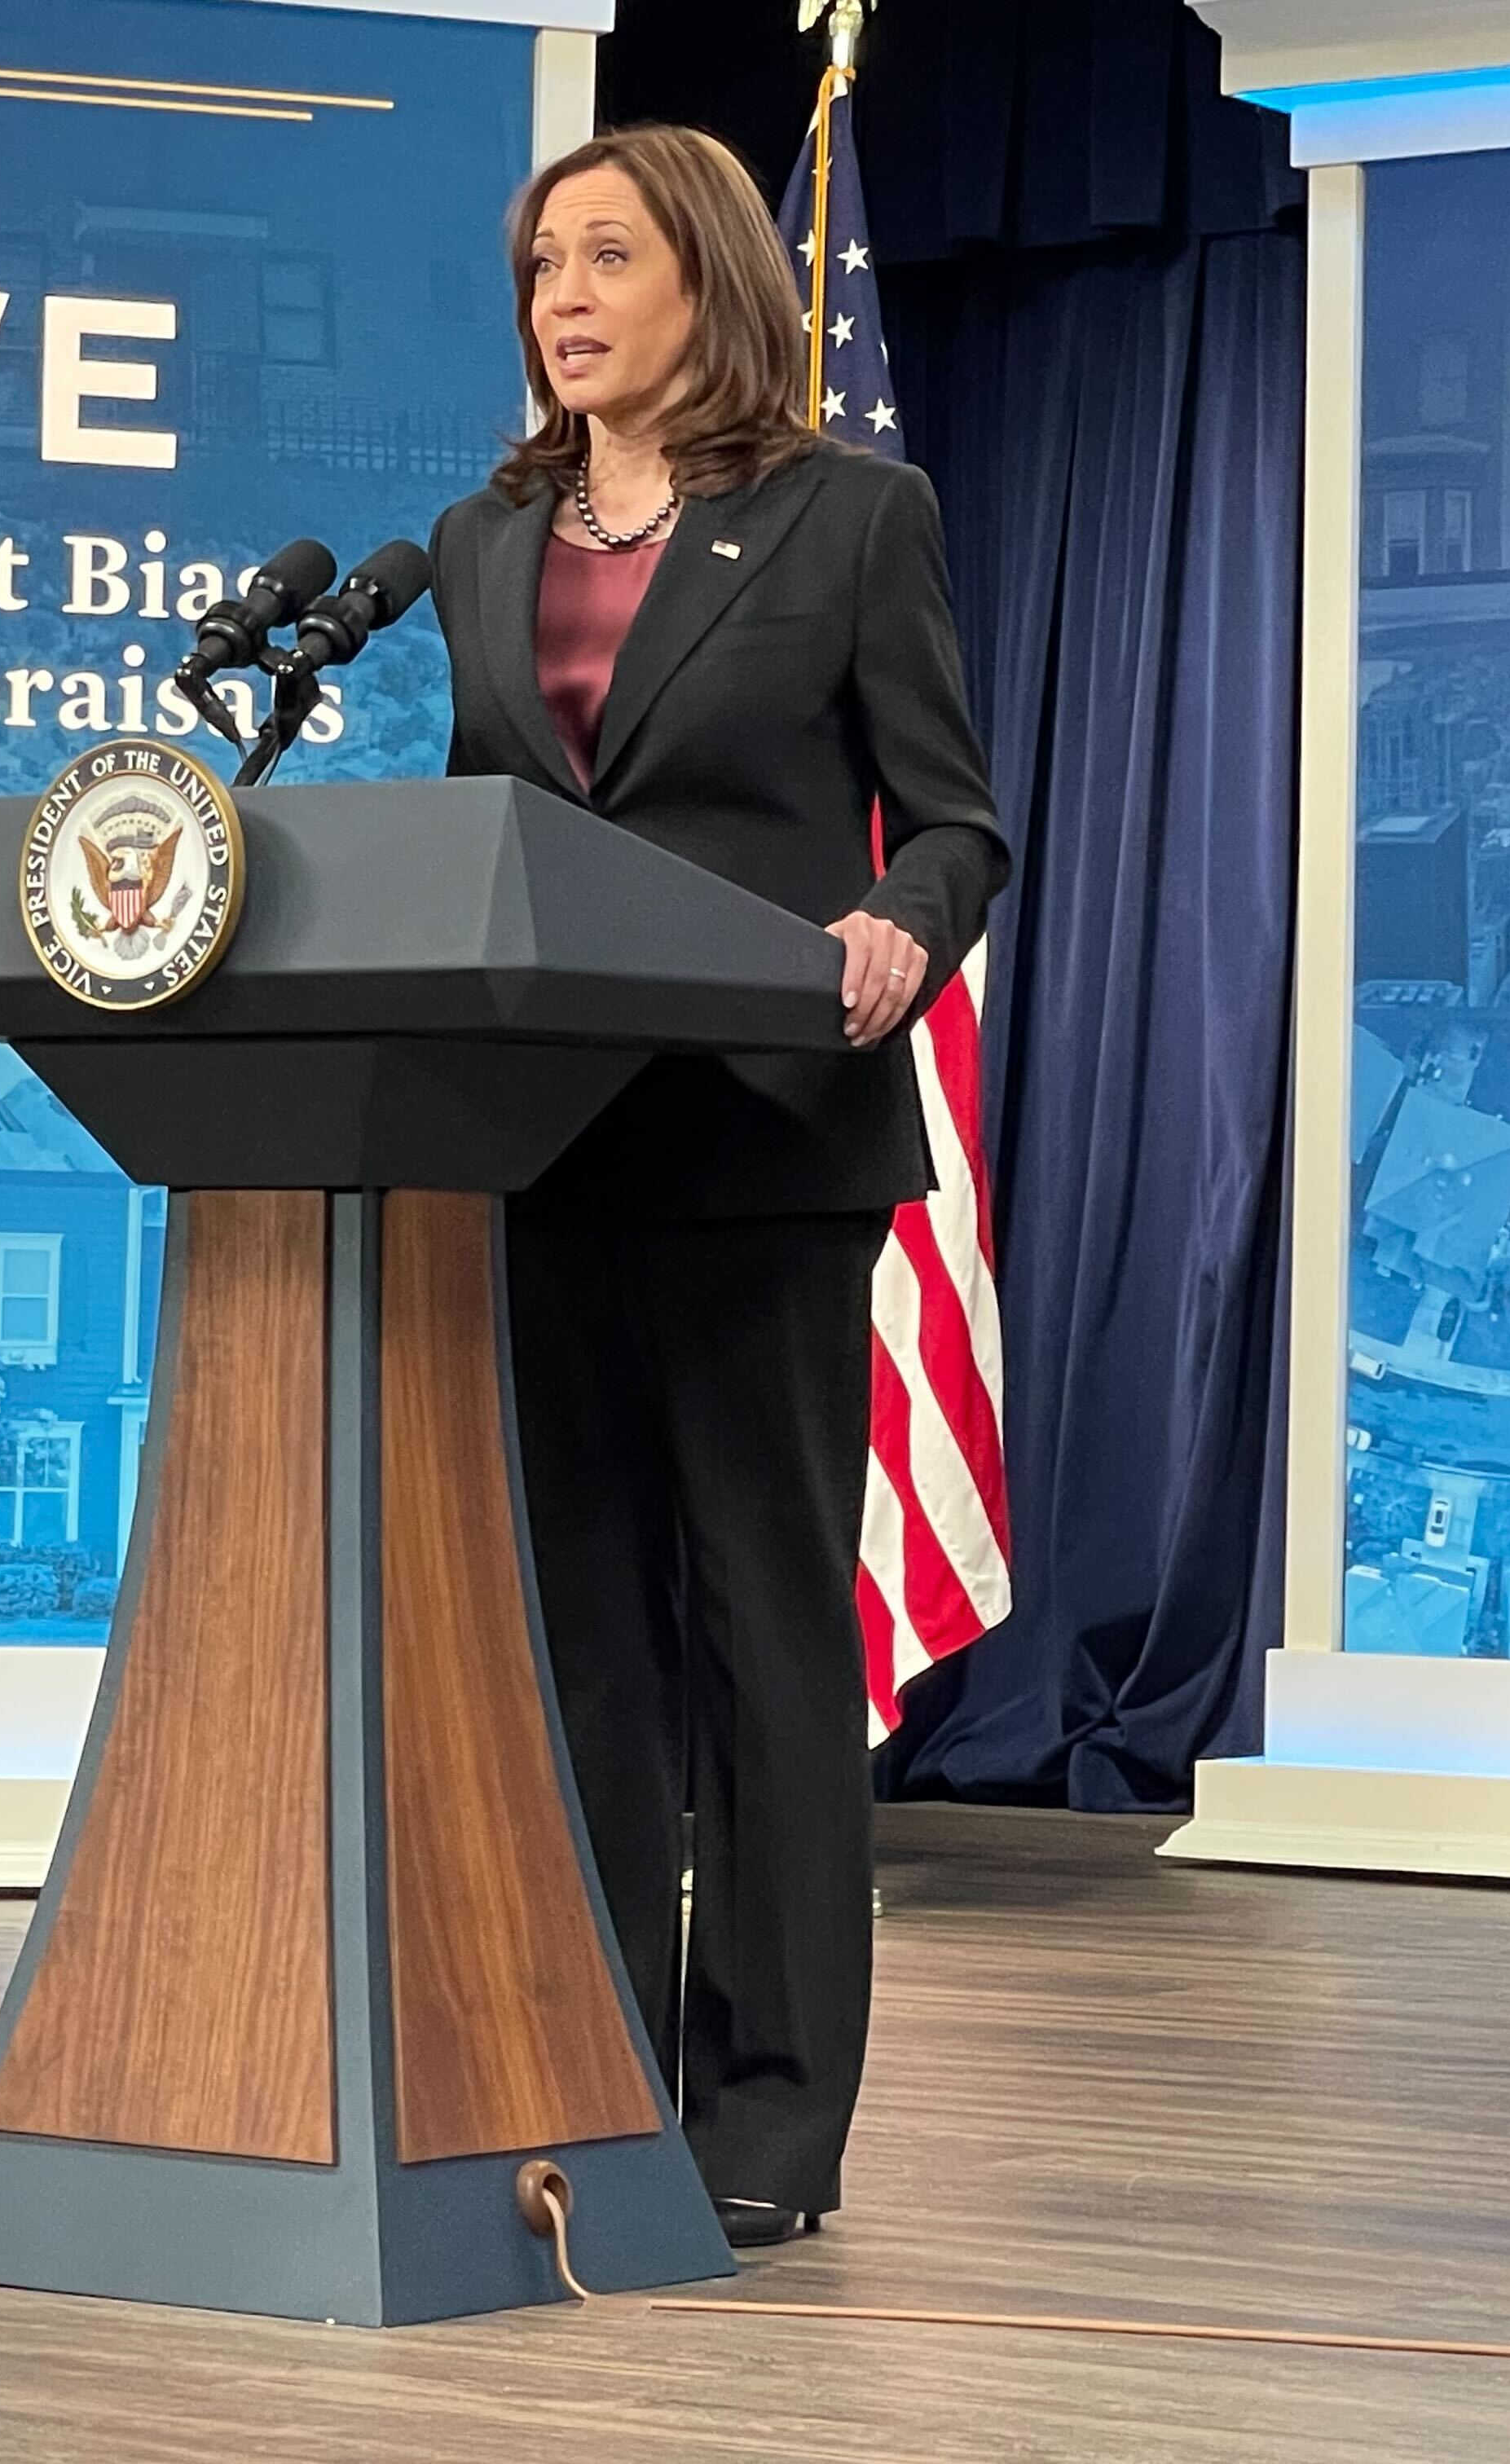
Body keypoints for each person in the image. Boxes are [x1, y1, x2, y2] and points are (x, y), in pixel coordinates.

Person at [429, 124, 1010, 2247]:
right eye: (542, 266)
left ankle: (766, 2121)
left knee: (764, 1624)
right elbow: (484, 835)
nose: (564, 298)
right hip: (545, 1144)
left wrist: (898, 932)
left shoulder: (852, 519)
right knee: (587, 1637)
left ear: (711, 284)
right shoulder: (479, 542)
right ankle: (601, 2079)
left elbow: (952, 823)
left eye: (607, 256)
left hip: (765, 1135)